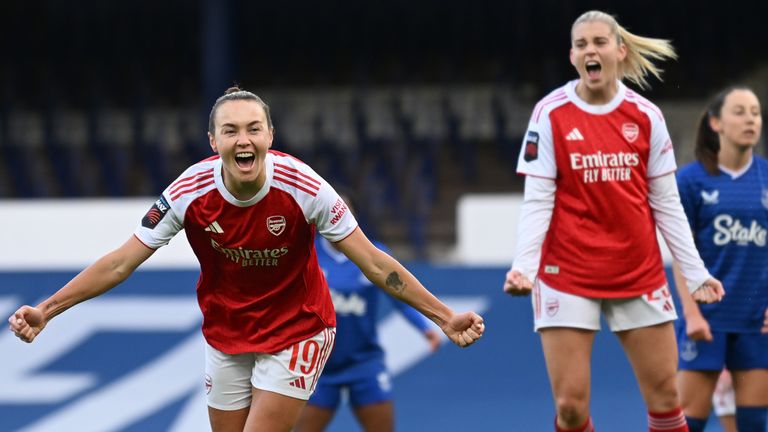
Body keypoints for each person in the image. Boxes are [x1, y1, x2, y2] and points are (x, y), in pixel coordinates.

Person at [7, 86, 485, 432]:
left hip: (300, 328)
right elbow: (120, 263)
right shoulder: (187, 192)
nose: (243, 140)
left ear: (269, 135)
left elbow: (376, 264)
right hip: (228, 334)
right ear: (213, 142)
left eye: (253, 129)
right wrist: (47, 310)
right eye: (230, 131)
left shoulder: (305, 188)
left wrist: (443, 316)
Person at [502, 10, 724, 432]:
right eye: (582, 44)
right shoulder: (550, 113)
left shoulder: (646, 116)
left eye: (600, 42)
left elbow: (667, 204)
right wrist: (524, 267)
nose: (591, 50)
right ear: (572, 56)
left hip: (636, 271)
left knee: (665, 399)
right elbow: (538, 200)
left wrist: (696, 274)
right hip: (566, 272)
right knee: (569, 407)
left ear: (619, 51)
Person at [296, 195, 442, 431]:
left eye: (342, 213)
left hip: (364, 362)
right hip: (319, 365)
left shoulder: (374, 254)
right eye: (329, 214)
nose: (335, 219)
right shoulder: (307, 252)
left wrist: (425, 328)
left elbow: (400, 297)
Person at [672, 86, 768, 432]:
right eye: (740, 112)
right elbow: (681, 255)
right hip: (707, 320)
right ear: (716, 123)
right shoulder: (691, 180)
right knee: (687, 424)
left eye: (755, 112)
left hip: (757, 320)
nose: (750, 120)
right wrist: (692, 313)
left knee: (754, 424)